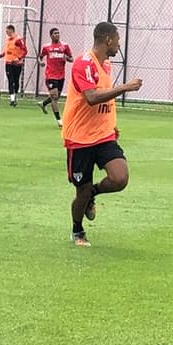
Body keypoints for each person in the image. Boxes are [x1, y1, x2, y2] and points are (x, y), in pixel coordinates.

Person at [62, 22, 143, 247]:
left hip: (103, 136)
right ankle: (77, 230)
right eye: (118, 39)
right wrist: (125, 87)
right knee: (82, 190)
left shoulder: (106, 66)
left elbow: (106, 100)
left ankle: (93, 194)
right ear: (108, 40)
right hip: (79, 139)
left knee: (120, 178)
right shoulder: (83, 63)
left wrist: (111, 124)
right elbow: (92, 97)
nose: (119, 44)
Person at [37, 27, 73, 127]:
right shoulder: (46, 47)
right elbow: (40, 57)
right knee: (54, 97)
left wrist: (66, 58)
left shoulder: (65, 46)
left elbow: (71, 58)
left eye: (58, 33)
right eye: (55, 33)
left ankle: (43, 103)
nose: (57, 35)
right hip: (50, 75)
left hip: (61, 76)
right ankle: (59, 120)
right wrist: (41, 63)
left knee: (56, 96)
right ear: (51, 35)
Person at [0, 24, 27, 106]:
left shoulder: (18, 40)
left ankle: (15, 96)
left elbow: (25, 51)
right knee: (10, 80)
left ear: (11, 30)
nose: (6, 32)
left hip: (17, 64)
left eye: (7, 31)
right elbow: (6, 51)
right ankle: (12, 99)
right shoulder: (8, 40)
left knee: (16, 81)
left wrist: (18, 58)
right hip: (8, 63)